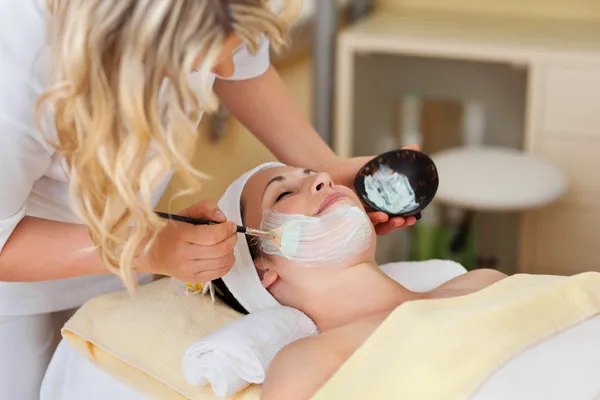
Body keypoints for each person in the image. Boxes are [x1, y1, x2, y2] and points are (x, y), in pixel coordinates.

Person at [0, 1, 416, 398]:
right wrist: (144, 247)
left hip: (121, 275)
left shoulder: (472, 285)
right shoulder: (19, 65)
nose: (223, 70)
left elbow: (238, 64)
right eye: (284, 191)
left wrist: (325, 162)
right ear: (264, 270)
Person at [211, 162, 507, 399]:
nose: (325, 178)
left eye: (315, 174)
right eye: (283, 194)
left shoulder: (484, 284)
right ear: (262, 271)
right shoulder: (306, 366)